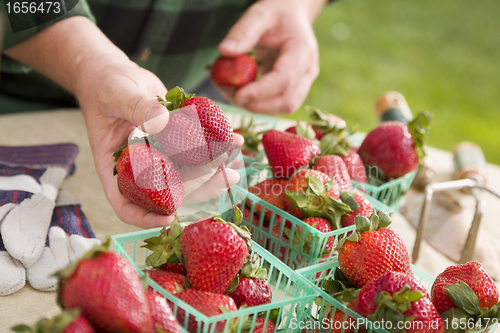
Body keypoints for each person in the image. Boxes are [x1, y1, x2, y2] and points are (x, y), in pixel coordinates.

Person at [0, 0, 329, 229]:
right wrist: (86, 61)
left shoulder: (187, 117)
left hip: (187, 91)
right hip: (19, 102)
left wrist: (296, 4)